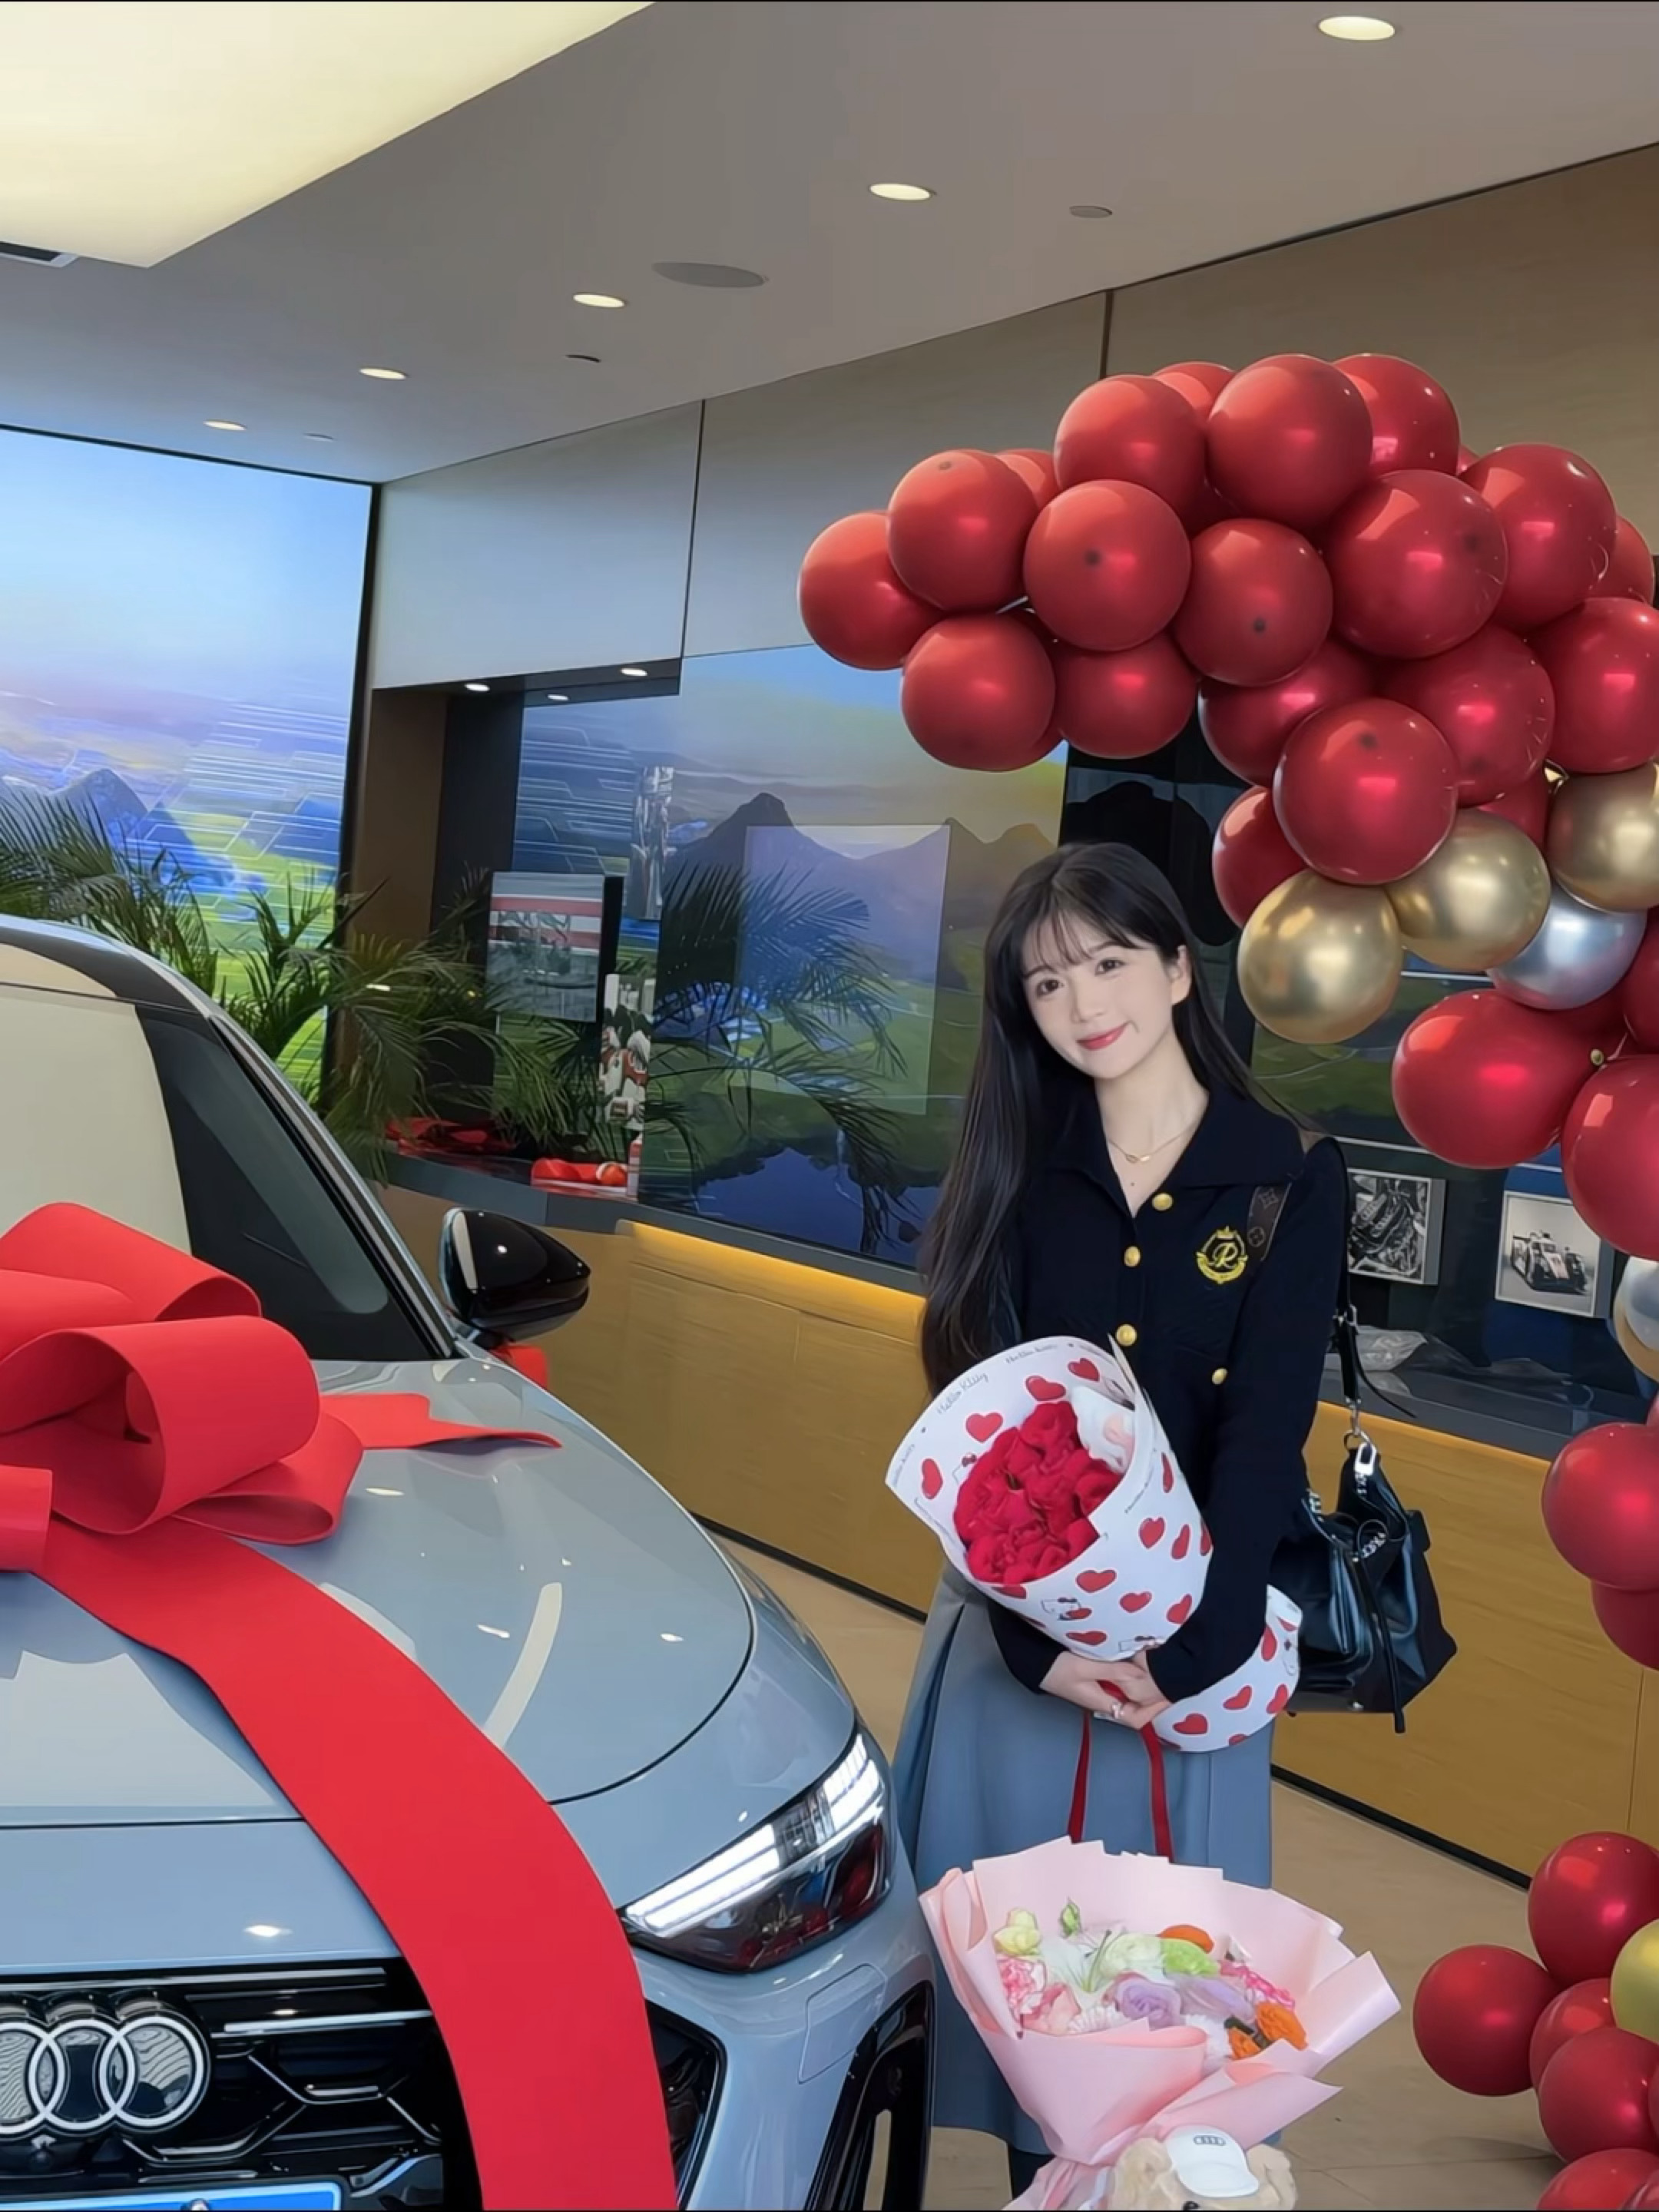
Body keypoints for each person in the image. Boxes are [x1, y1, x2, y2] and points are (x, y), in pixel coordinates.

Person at [892, 842, 1347, 2198]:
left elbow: (1266, 1432)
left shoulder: (1284, 1175)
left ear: (1175, 968)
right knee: (1033, 1986)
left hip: (1198, 1655)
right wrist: (1037, 1648)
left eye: (1107, 963)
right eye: (1047, 984)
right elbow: (981, 1430)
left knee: (1173, 2005)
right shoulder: (1020, 1168)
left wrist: (1191, 1654)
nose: (1085, 1004)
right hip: (1018, 1647)